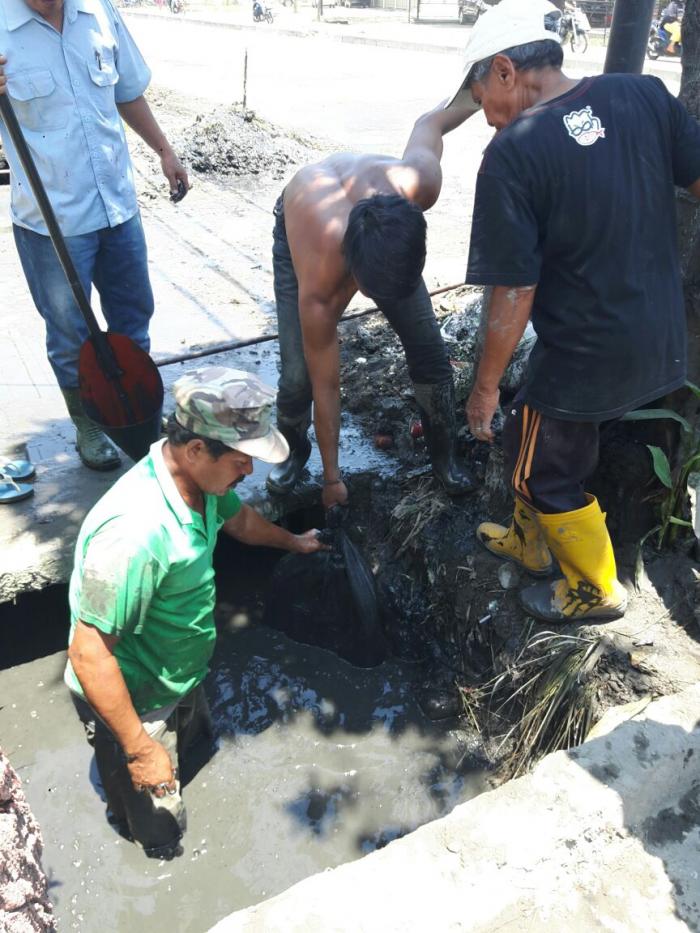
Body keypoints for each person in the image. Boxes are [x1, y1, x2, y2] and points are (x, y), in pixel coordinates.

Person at [446, 0, 700, 623]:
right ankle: (533, 543)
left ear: (505, 70)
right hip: (659, 336)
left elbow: (512, 293)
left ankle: (593, 589)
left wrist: (482, 388)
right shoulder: (643, 94)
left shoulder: (514, 153)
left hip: (589, 350)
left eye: (481, 101)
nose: (485, 120)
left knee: (545, 474)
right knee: (525, 423)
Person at [65, 367, 325, 857]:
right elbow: (88, 654)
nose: (250, 472)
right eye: (242, 460)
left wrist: (294, 542)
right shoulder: (136, 536)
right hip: (134, 698)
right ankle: (146, 832)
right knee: (158, 826)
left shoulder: (203, 485)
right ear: (195, 449)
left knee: (199, 747)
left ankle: (175, 758)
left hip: (180, 671)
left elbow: (242, 521)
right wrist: (141, 749)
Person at [0, 0, 189, 471]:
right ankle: (89, 423)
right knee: (70, 335)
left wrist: (165, 151)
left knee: (134, 316)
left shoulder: (98, 12)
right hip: (51, 224)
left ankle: (139, 409)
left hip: (117, 207)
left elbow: (127, 92)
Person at [266, 98, 480, 509]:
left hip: (378, 228)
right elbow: (327, 385)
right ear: (358, 278)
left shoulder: (417, 183)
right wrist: (332, 480)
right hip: (298, 220)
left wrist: (476, 93)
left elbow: (430, 123)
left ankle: (444, 457)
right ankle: (294, 451)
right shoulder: (319, 279)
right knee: (298, 377)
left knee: (429, 349)